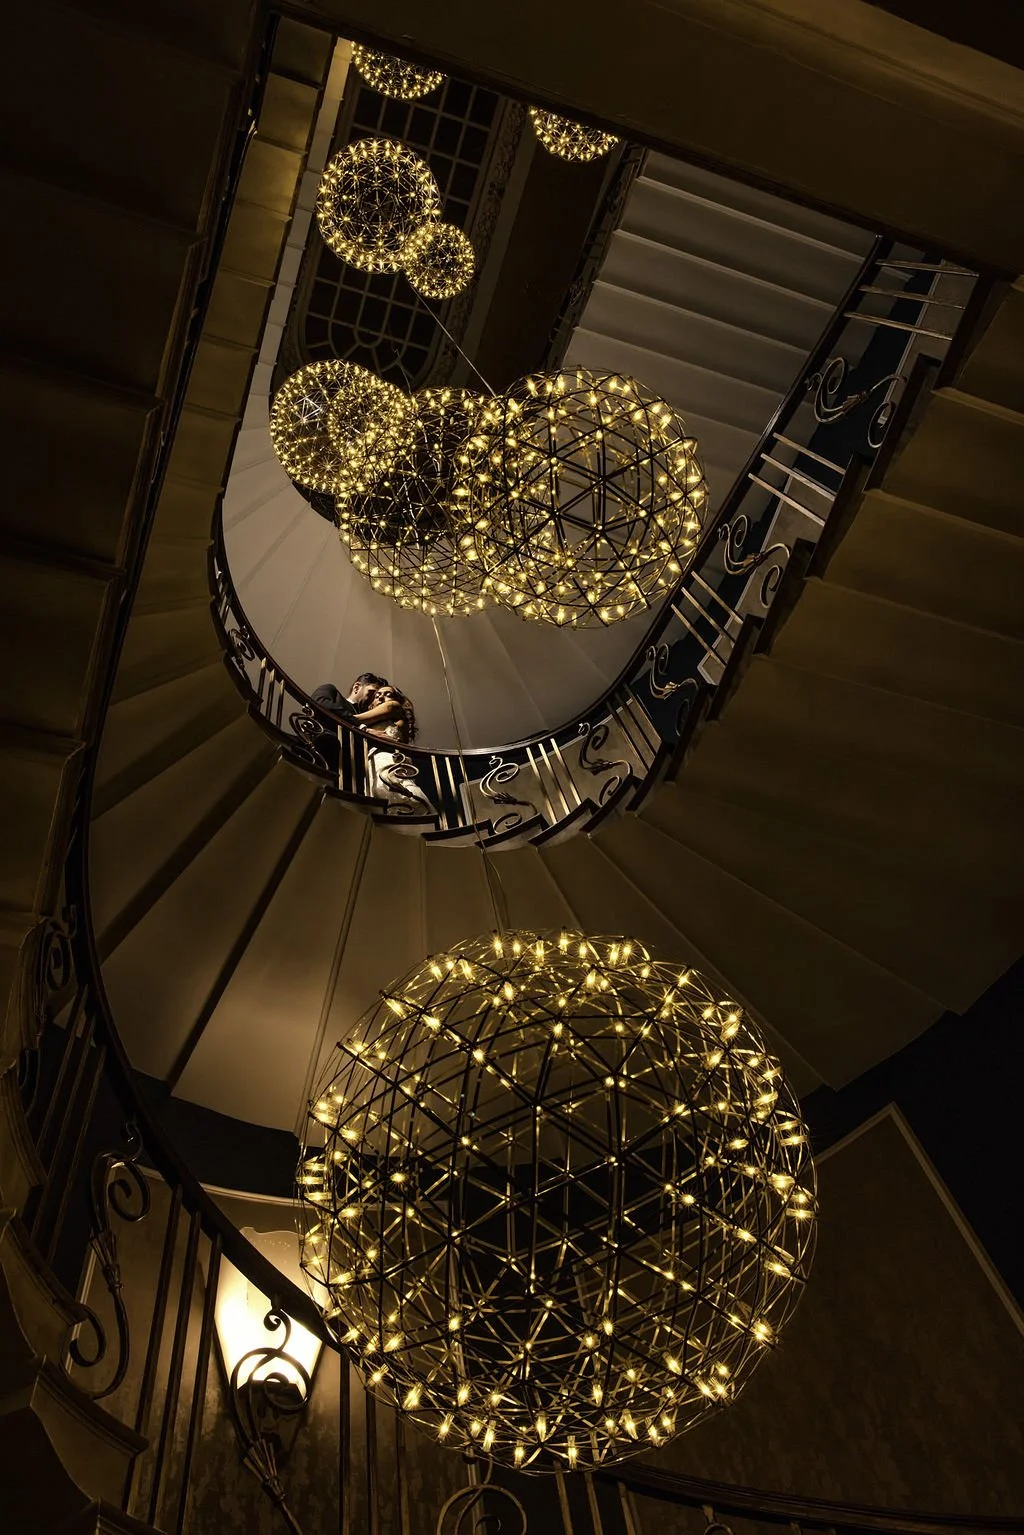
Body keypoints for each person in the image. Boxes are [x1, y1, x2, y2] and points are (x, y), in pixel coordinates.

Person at [351, 682, 433, 814]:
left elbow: (355, 719)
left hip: (389, 757)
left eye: (388, 694)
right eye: (377, 695)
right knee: (379, 792)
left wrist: (342, 714)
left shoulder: (393, 706)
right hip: (373, 760)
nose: (381, 697)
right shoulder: (376, 719)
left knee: (397, 790)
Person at [311, 673, 387, 720]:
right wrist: (357, 723)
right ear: (356, 687)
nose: (374, 699)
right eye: (371, 693)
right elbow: (318, 703)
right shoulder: (331, 690)